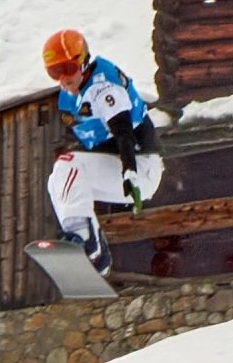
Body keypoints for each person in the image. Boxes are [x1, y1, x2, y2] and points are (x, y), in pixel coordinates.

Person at [42, 28, 163, 274]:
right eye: (55, 72)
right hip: (120, 167)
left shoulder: (103, 85)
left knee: (68, 163)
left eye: (68, 69)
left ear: (83, 61)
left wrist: (129, 169)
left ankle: (85, 240)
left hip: (140, 166)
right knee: (56, 181)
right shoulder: (69, 98)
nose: (63, 78)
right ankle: (98, 255)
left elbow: (123, 131)